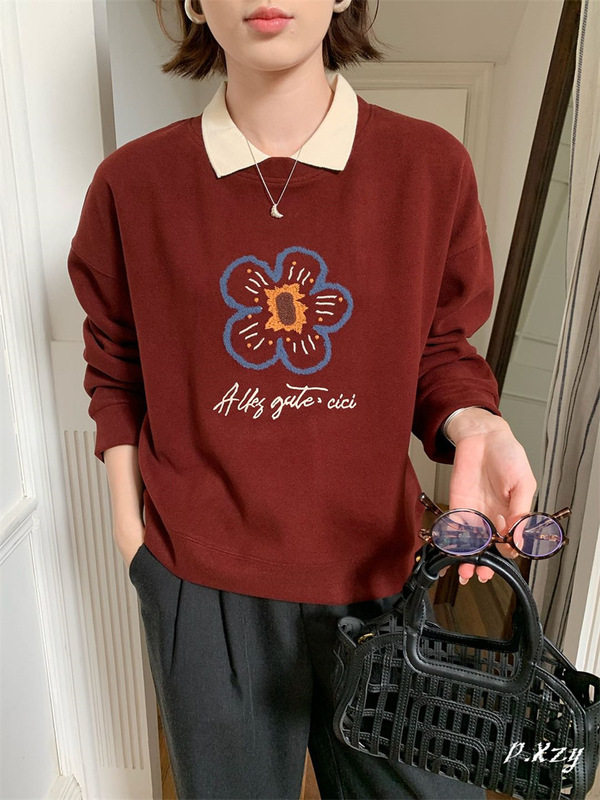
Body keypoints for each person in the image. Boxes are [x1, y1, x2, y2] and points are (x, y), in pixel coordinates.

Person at [67, 0, 538, 797]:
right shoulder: (133, 184)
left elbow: (439, 348)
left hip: (384, 573)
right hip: (201, 585)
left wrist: (477, 423)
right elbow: (116, 365)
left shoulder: (429, 167)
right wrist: (132, 540)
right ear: (193, 2)